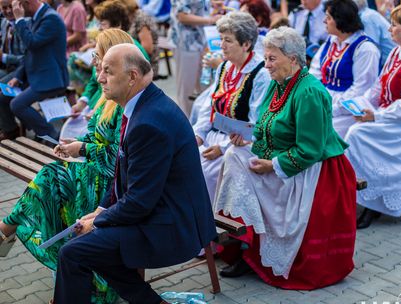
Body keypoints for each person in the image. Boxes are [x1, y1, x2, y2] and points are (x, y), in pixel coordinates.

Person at [53, 43, 216, 304]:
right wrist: (100, 210)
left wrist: (98, 222)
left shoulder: (148, 121)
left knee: (74, 251)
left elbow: (139, 201)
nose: (99, 77)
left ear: (132, 77)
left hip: (172, 227)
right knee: (88, 246)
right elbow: (122, 177)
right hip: (162, 212)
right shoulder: (142, 107)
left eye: (108, 70)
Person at [0, 28, 137, 304]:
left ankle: (7, 230)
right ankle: (63, 276)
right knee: (50, 180)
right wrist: (76, 142)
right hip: (93, 175)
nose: (95, 62)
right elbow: (97, 136)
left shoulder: (124, 100)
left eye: (99, 56)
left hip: (107, 186)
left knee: (49, 180)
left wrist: (82, 148)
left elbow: (118, 158)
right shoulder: (104, 91)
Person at [214, 27, 357, 290]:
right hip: (282, 159)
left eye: (271, 59)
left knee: (237, 164)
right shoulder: (278, 83)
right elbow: (264, 125)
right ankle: (245, 243)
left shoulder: (309, 92)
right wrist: (246, 137)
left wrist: (272, 165)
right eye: (266, 58)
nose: (266, 65)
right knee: (234, 155)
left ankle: (249, 247)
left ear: (293, 59)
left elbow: (310, 149)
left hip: (310, 171)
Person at [344, 3, 401, 229]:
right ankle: (360, 195)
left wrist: (375, 117)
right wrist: (362, 105)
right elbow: (379, 86)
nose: (389, 30)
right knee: (353, 129)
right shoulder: (398, 51)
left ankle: (371, 202)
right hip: (393, 114)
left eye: (394, 25)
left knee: (358, 135)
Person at [192, 12, 271, 203]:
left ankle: (213, 227)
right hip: (214, 138)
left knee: (207, 174)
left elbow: (255, 124)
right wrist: (198, 136)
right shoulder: (224, 68)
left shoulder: (261, 74)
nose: (222, 45)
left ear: (246, 44)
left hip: (241, 143)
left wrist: (223, 147)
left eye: (228, 40)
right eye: (221, 39)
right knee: (185, 165)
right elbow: (208, 109)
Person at [0, 0, 69, 142]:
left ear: (28, 2)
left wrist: (19, 20)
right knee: (3, 95)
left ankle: (52, 137)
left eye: (18, 7)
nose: (16, 11)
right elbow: (28, 53)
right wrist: (18, 77)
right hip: (34, 73)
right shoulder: (37, 17)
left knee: (17, 104)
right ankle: (16, 130)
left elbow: (31, 43)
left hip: (50, 78)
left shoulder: (51, 18)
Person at [309, 0, 380, 137]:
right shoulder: (331, 41)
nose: (324, 21)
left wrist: (331, 108)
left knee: (318, 132)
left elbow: (360, 90)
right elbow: (315, 72)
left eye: (328, 18)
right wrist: (315, 99)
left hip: (349, 110)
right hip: (324, 101)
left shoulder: (365, 49)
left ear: (340, 20)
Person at [170, 0, 222, 116]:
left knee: (205, 82)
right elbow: (182, 16)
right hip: (185, 43)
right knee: (186, 88)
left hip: (202, 40)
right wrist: (210, 20)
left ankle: (203, 119)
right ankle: (187, 122)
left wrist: (212, 5)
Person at [356, 0, 395, 68]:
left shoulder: (366, 18)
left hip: (389, 65)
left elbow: (371, 49)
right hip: (387, 62)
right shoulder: (367, 13)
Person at [0, 0, 26, 83]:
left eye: (11, 6)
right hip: (7, 68)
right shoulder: (4, 22)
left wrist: (3, 57)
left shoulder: (24, 24)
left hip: (22, 71)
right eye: (4, 8)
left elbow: (26, 58)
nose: (8, 11)